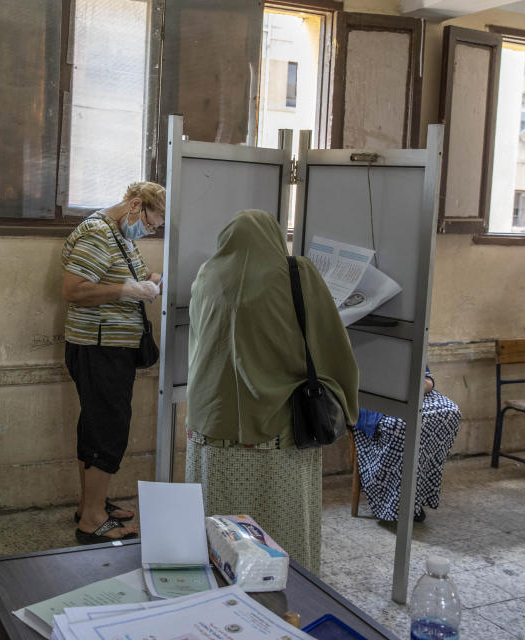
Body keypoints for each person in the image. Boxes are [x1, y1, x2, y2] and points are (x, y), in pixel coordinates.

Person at [185, 210, 359, 572]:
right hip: (281, 430)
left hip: (211, 426)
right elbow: (329, 342)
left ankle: (218, 592)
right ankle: (284, 593)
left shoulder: (207, 275)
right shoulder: (298, 273)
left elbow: (199, 345)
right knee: (280, 526)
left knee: (219, 528)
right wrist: (344, 396)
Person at [61, 181, 165, 545]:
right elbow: (73, 289)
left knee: (96, 426)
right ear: (135, 205)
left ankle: (91, 504)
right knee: (108, 430)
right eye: (151, 223)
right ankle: (91, 520)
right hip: (98, 347)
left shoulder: (119, 235)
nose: (149, 231)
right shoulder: (97, 234)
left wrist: (153, 281)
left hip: (108, 346)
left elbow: (133, 273)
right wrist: (126, 290)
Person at [352, 367, 461, 523]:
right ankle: (393, 504)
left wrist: (413, 391)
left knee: (451, 412)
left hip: (410, 393)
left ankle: (415, 496)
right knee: (400, 425)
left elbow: (428, 379)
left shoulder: (409, 342)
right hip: (369, 397)